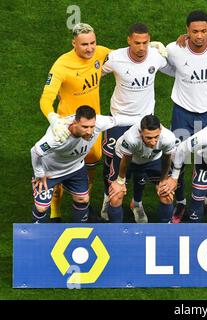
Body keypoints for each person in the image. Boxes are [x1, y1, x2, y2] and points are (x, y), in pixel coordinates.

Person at [165, 10, 207, 223]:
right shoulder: (174, 50)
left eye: (203, 31)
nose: (199, 35)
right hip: (182, 112)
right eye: (194, 31)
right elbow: (155, 55)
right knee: (178, 156)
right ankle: (180, 203)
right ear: (187, 31)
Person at [39, 23, 111, 222]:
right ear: (74, 44)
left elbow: (124, 57)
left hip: (92, 125)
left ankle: (83, 205)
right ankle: (55, 212)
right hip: (69, 128)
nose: (90, 48)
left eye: (93, 43)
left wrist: (151, 48)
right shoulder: (61, 66)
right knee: (61, 169)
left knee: (91, 164)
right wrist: (54, 120)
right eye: (84, 45)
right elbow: (46, 98)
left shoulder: (100, 53)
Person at [100, 23, 170, 220]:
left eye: (145, 43)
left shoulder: (156, 57)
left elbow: (173, 63)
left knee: (141, 164)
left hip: (144, 122)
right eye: (137, 43)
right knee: (111, 162)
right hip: (118, 121)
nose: (141, 47)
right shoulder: (115, 59)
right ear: (129, 40)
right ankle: (108, 197)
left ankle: (136, 203)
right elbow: (94, 73)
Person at [31, 106, 118, 223]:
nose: (90, 131)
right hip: (50, 172)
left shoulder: (99, 122)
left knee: (83, 199)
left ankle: (79, 230)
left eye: (92, 126)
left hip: (75, 168)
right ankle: (37, 235)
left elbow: (121, 120)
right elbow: (35, 151)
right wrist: (39, 174)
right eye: (85, 127)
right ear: (75, 123)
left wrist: (142, 120)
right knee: (41, 208)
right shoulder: (57, 136)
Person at [107, 115, 178, 223]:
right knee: (116, 195)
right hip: (125, 159)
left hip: (152, 159)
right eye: (149, 138)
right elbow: (126, 160)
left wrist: (163, 180)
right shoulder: (131, 138)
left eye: (156, 137)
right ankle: (116, 232)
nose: (153, 142)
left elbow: (166, 159)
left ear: (161, 131)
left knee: (167, 194)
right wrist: (120, 181)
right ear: (140, 133)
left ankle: (165, 229)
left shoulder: (168, 138)